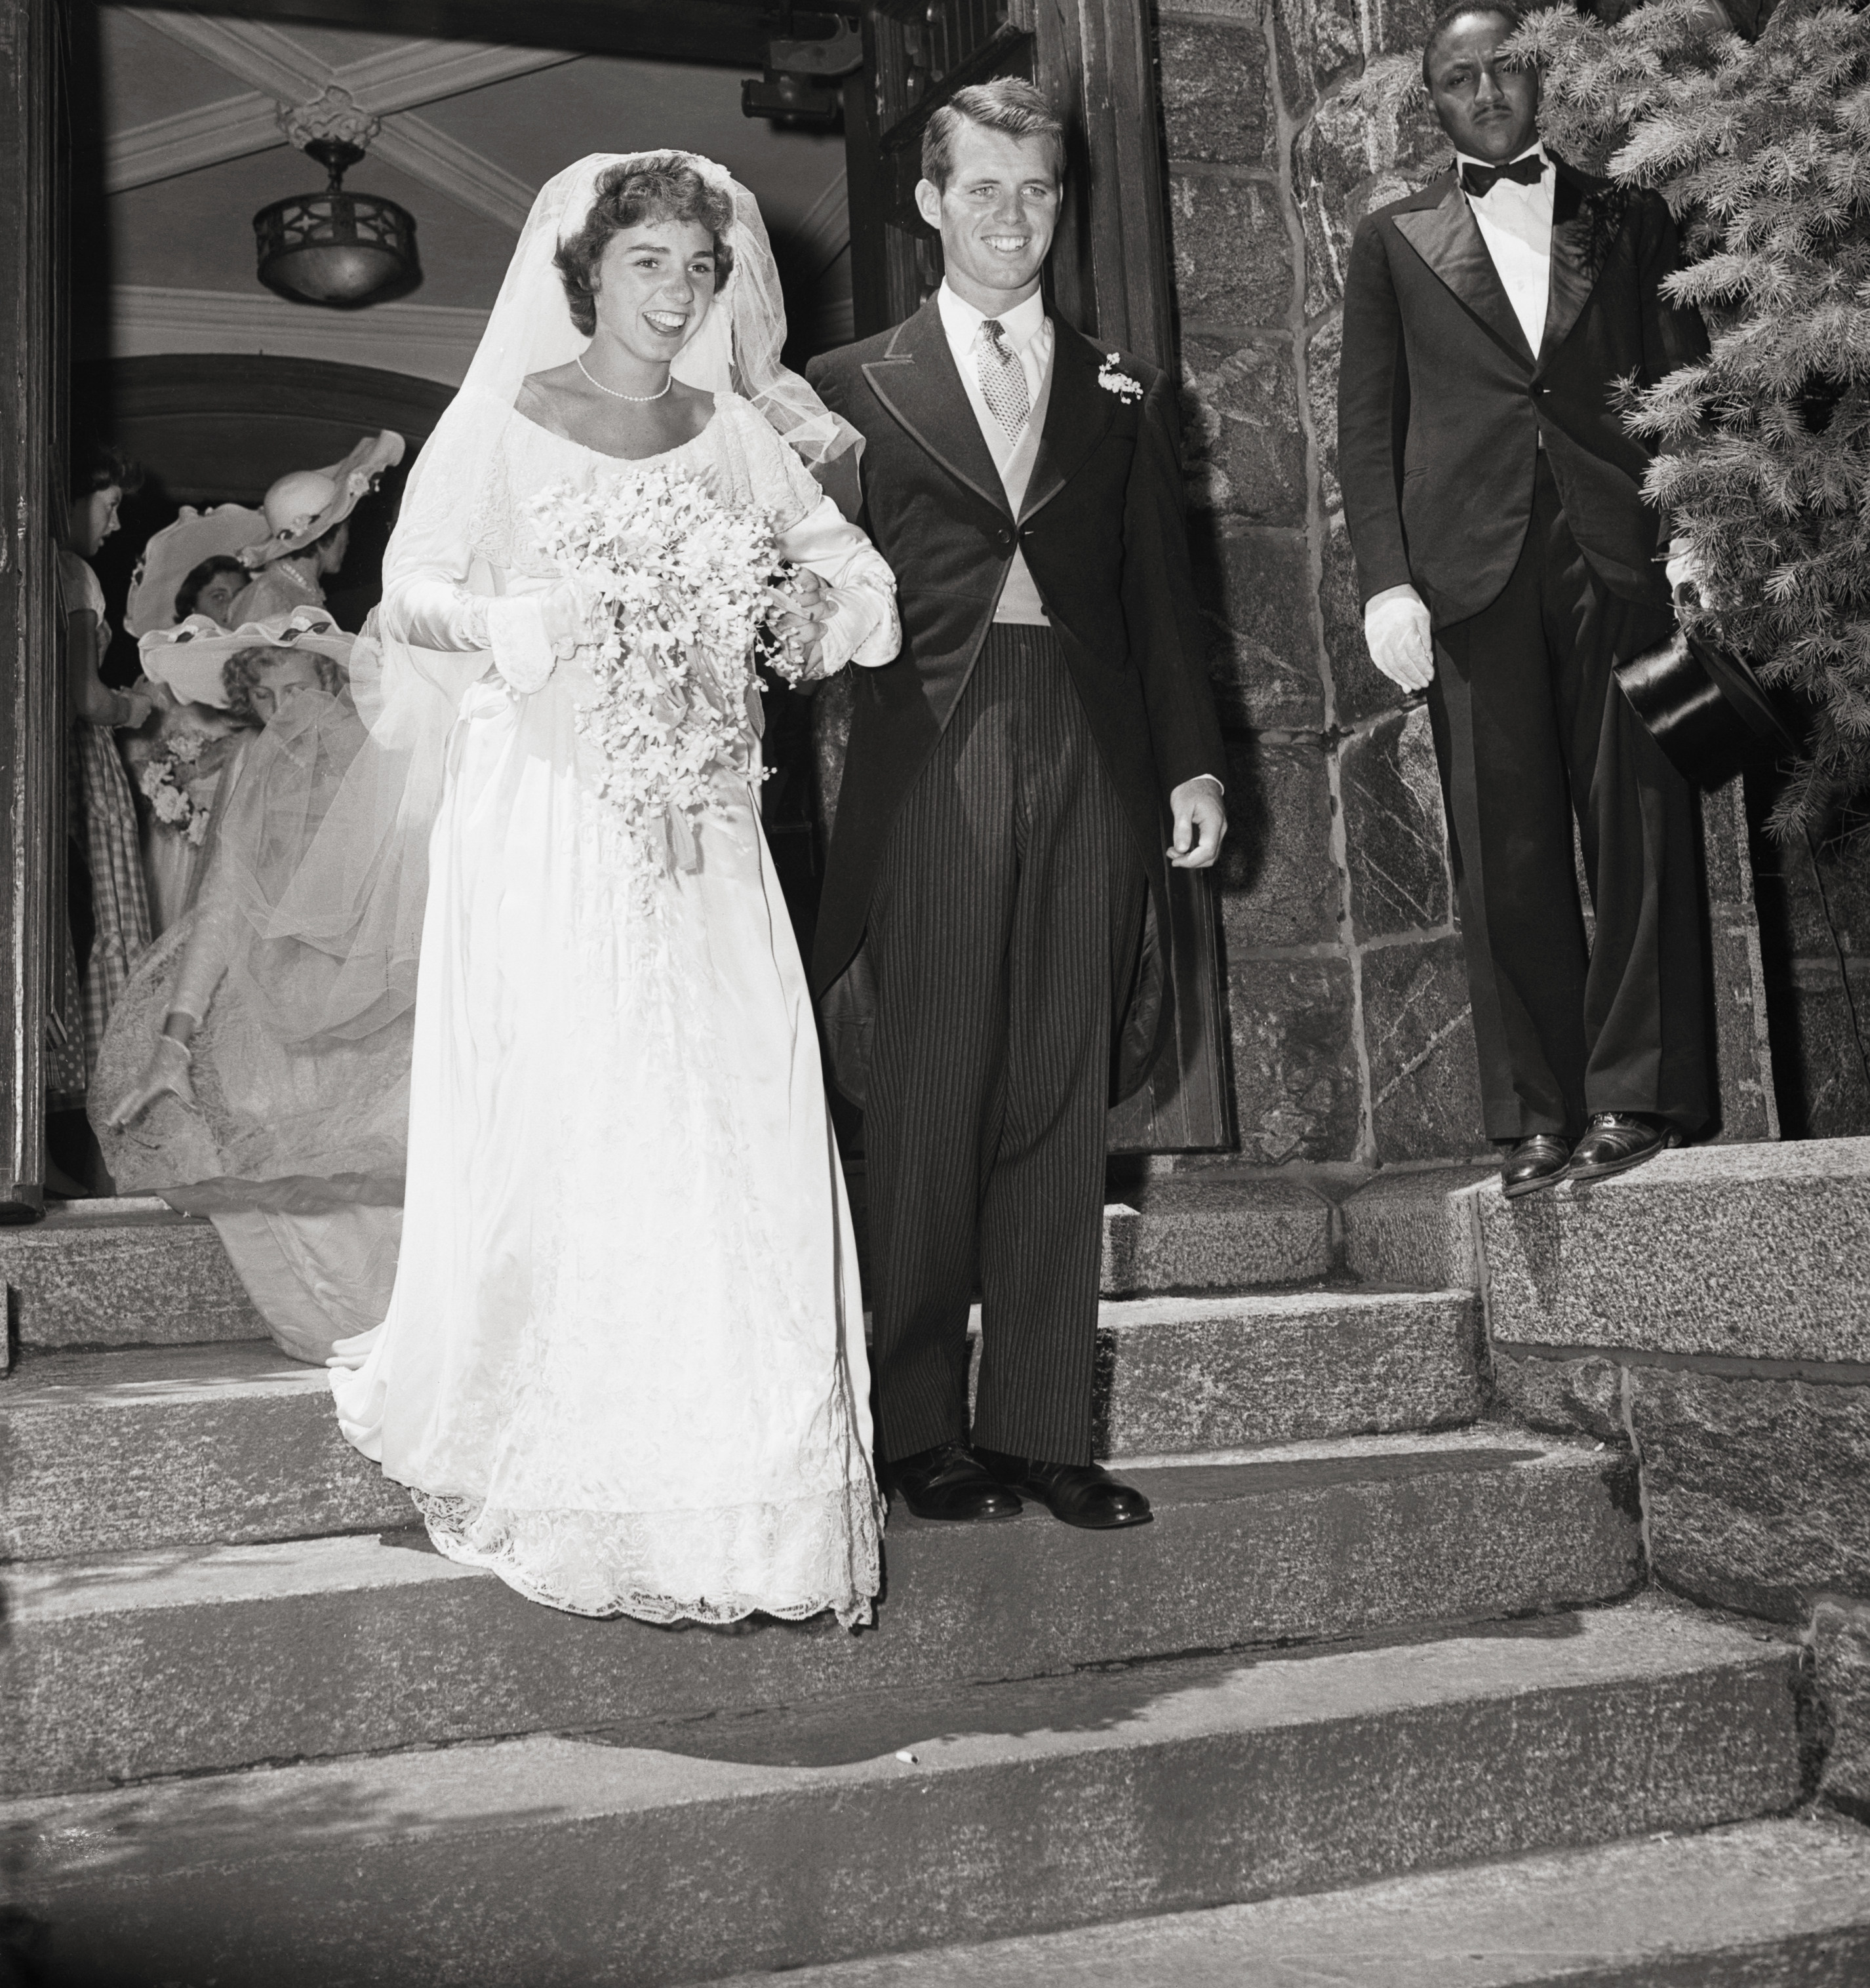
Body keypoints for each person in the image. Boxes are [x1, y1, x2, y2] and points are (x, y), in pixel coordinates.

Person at [326, 152, 900, 1627]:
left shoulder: (730, 435)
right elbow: (414, 590)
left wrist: (798, 613)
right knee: (585, 1100)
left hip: (705, 817)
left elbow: (846, 572)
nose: (679, 293)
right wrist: (539, 616)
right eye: (649, 262)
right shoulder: (506, 419)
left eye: (700, 270)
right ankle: (569, 1439)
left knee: (731, 1107)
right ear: (588, 275)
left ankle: (746, 1478)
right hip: (551, 809)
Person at [806, 80, 1227, 1531]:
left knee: (1058, 1086)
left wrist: (1191, 762)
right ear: (929, 201)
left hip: (1093, 753)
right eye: (981, 187)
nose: (1010, 215)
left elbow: (1163, 605)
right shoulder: (846, 384)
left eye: (1036, 190)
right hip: (931, 744)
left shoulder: (1119, 388)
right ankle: (916, 1424)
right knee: (929, 1082)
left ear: (1064, 199)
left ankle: (1044, 1424)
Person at [1338, 1, 1712, 1199]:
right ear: (1432, 100)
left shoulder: (1629, 215)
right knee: (1503, 847)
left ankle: (1637, 1092)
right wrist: (1385, 582)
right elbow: (1366, 427)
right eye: (1460, 77)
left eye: (1505, 69)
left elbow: (1679, 381)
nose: (1486, 90)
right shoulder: (1392, 238)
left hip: (1618, 549)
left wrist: (1699, 520)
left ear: (1536, 81)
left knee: (1638, 823)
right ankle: (1534, 1113)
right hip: (1468, 568)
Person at [97, 609, 407, 1364]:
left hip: (381, 991)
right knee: (247, 1122)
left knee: (380, 1155)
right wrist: (175, 1033)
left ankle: (400, 1326)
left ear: (334, 680)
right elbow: (227, 897)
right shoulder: (253, 761)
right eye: (263, 698)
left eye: (296, 688)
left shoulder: (386, 752)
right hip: (272, 988)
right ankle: (327, 1327)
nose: (282, 712)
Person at [59, 444, 157, 1088]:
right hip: (77, 759)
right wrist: (134, 707)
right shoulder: (72, 572)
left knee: (72, 915)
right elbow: (84, 697)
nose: (115, 525)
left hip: (53, 756)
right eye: (111, 505)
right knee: (99, 908)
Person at [124, 507, 269, 931]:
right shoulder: (160, 676)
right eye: (218, 597)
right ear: (191, 604)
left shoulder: (256, 677)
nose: (229, 611)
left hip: (239, 836)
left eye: (239, 599)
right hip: (175, 840)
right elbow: (137, 761)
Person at [231, 433, 404, 626]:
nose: (347, 540)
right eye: (345, 528)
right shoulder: (269, 592)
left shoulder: (300, 588)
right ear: (325, 534)